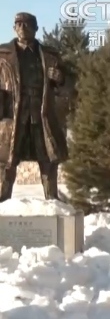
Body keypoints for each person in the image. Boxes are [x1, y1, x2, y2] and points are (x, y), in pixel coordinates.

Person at [0, 12, 71, 202]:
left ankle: (52, 199)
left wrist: (60, 79)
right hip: (13, 115)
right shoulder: (3, 54)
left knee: (47, 157)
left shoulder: (50, 55)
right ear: (14, 28)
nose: (22, 27)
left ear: (36, 28)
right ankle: (2, 200)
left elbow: (70, 85)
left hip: (42, 112)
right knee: (7, 161)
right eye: (19, 24)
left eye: (27, 24)